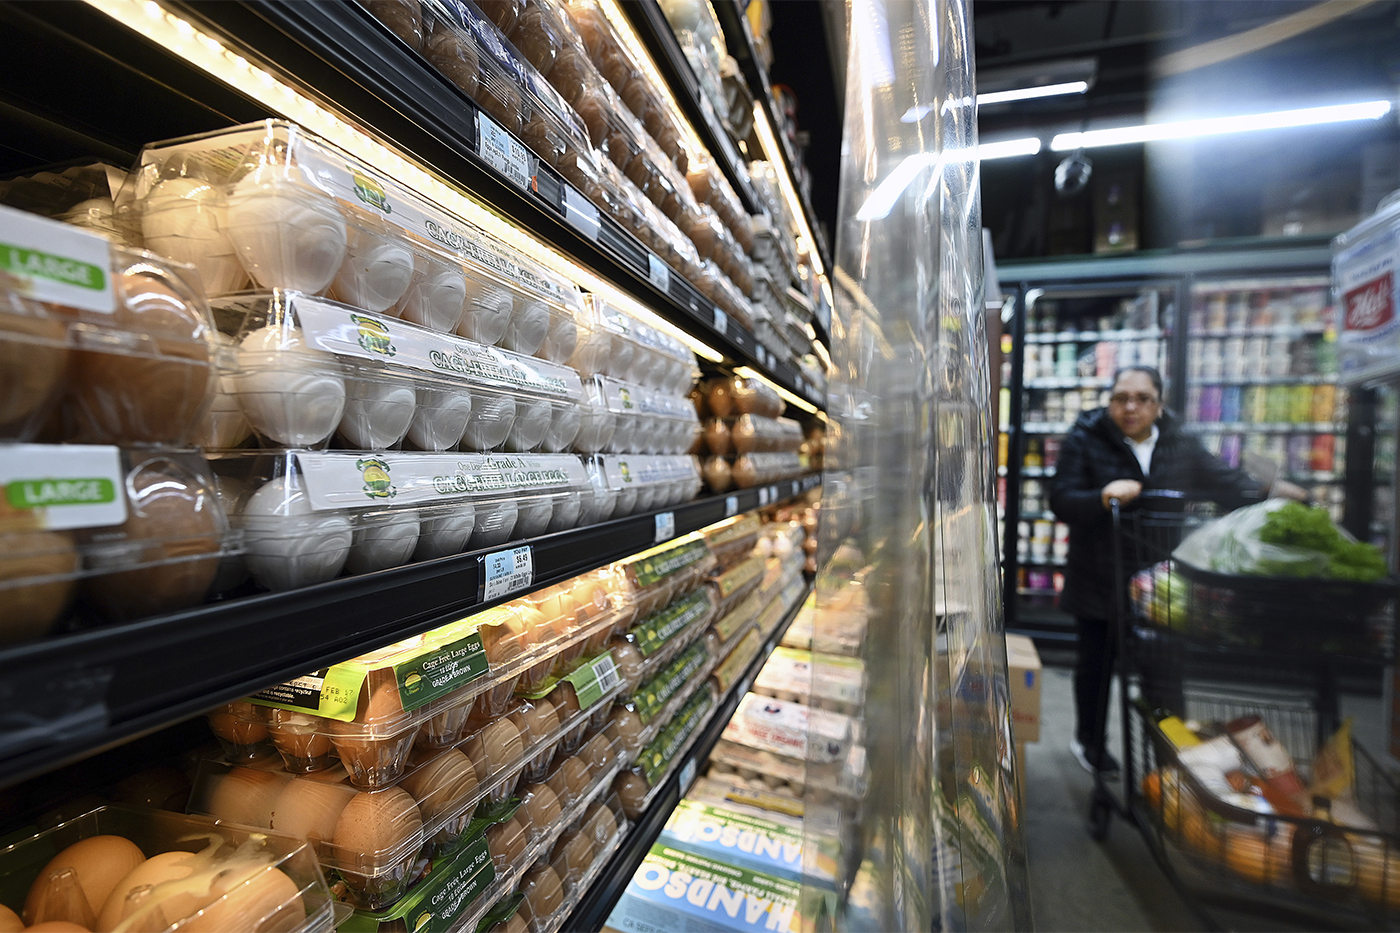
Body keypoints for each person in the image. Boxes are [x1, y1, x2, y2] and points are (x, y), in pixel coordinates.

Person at [1048, 366, 1306, 776]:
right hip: (1099, 575)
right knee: (1096, 667)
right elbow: (1061, 499)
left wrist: (1269, 493)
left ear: (1159, 404)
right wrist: (1101, 496)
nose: (1130, 407)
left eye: (1142, 398)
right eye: (1120, 398)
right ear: (1109, 401)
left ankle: (1173, 759)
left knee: (1164, 673)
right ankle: (1091, 745)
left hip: (1161, 583)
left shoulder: (1180, 442)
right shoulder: (1085, 438)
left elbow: (1224, 483)